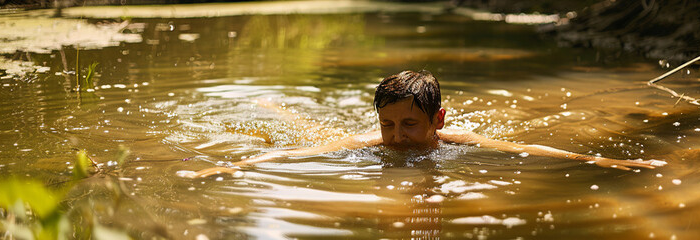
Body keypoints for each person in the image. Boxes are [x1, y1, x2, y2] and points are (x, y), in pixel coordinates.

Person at [184, 70, 665, 178]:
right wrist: (233, 166)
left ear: (437, 121)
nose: (395, 138)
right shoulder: (370, 142)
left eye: (409, 126)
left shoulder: (457, 139)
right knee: (311, 133)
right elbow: (294, 155)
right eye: (388, 125)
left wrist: (599, 158)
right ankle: (276, 109)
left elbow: (523, 150)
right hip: (336, 138)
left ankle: (279, 110)